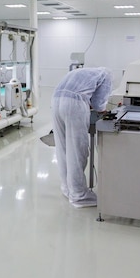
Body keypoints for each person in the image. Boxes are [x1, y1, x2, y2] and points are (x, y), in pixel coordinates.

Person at [51, 67, 112, 208]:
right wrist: (103, 111)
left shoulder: (81, 73)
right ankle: (79, 195)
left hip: (55, 100)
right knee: (77, 150)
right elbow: (99, 104)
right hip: (73, 105)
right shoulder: (106, 75)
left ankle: (67, 188)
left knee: (62, 148)